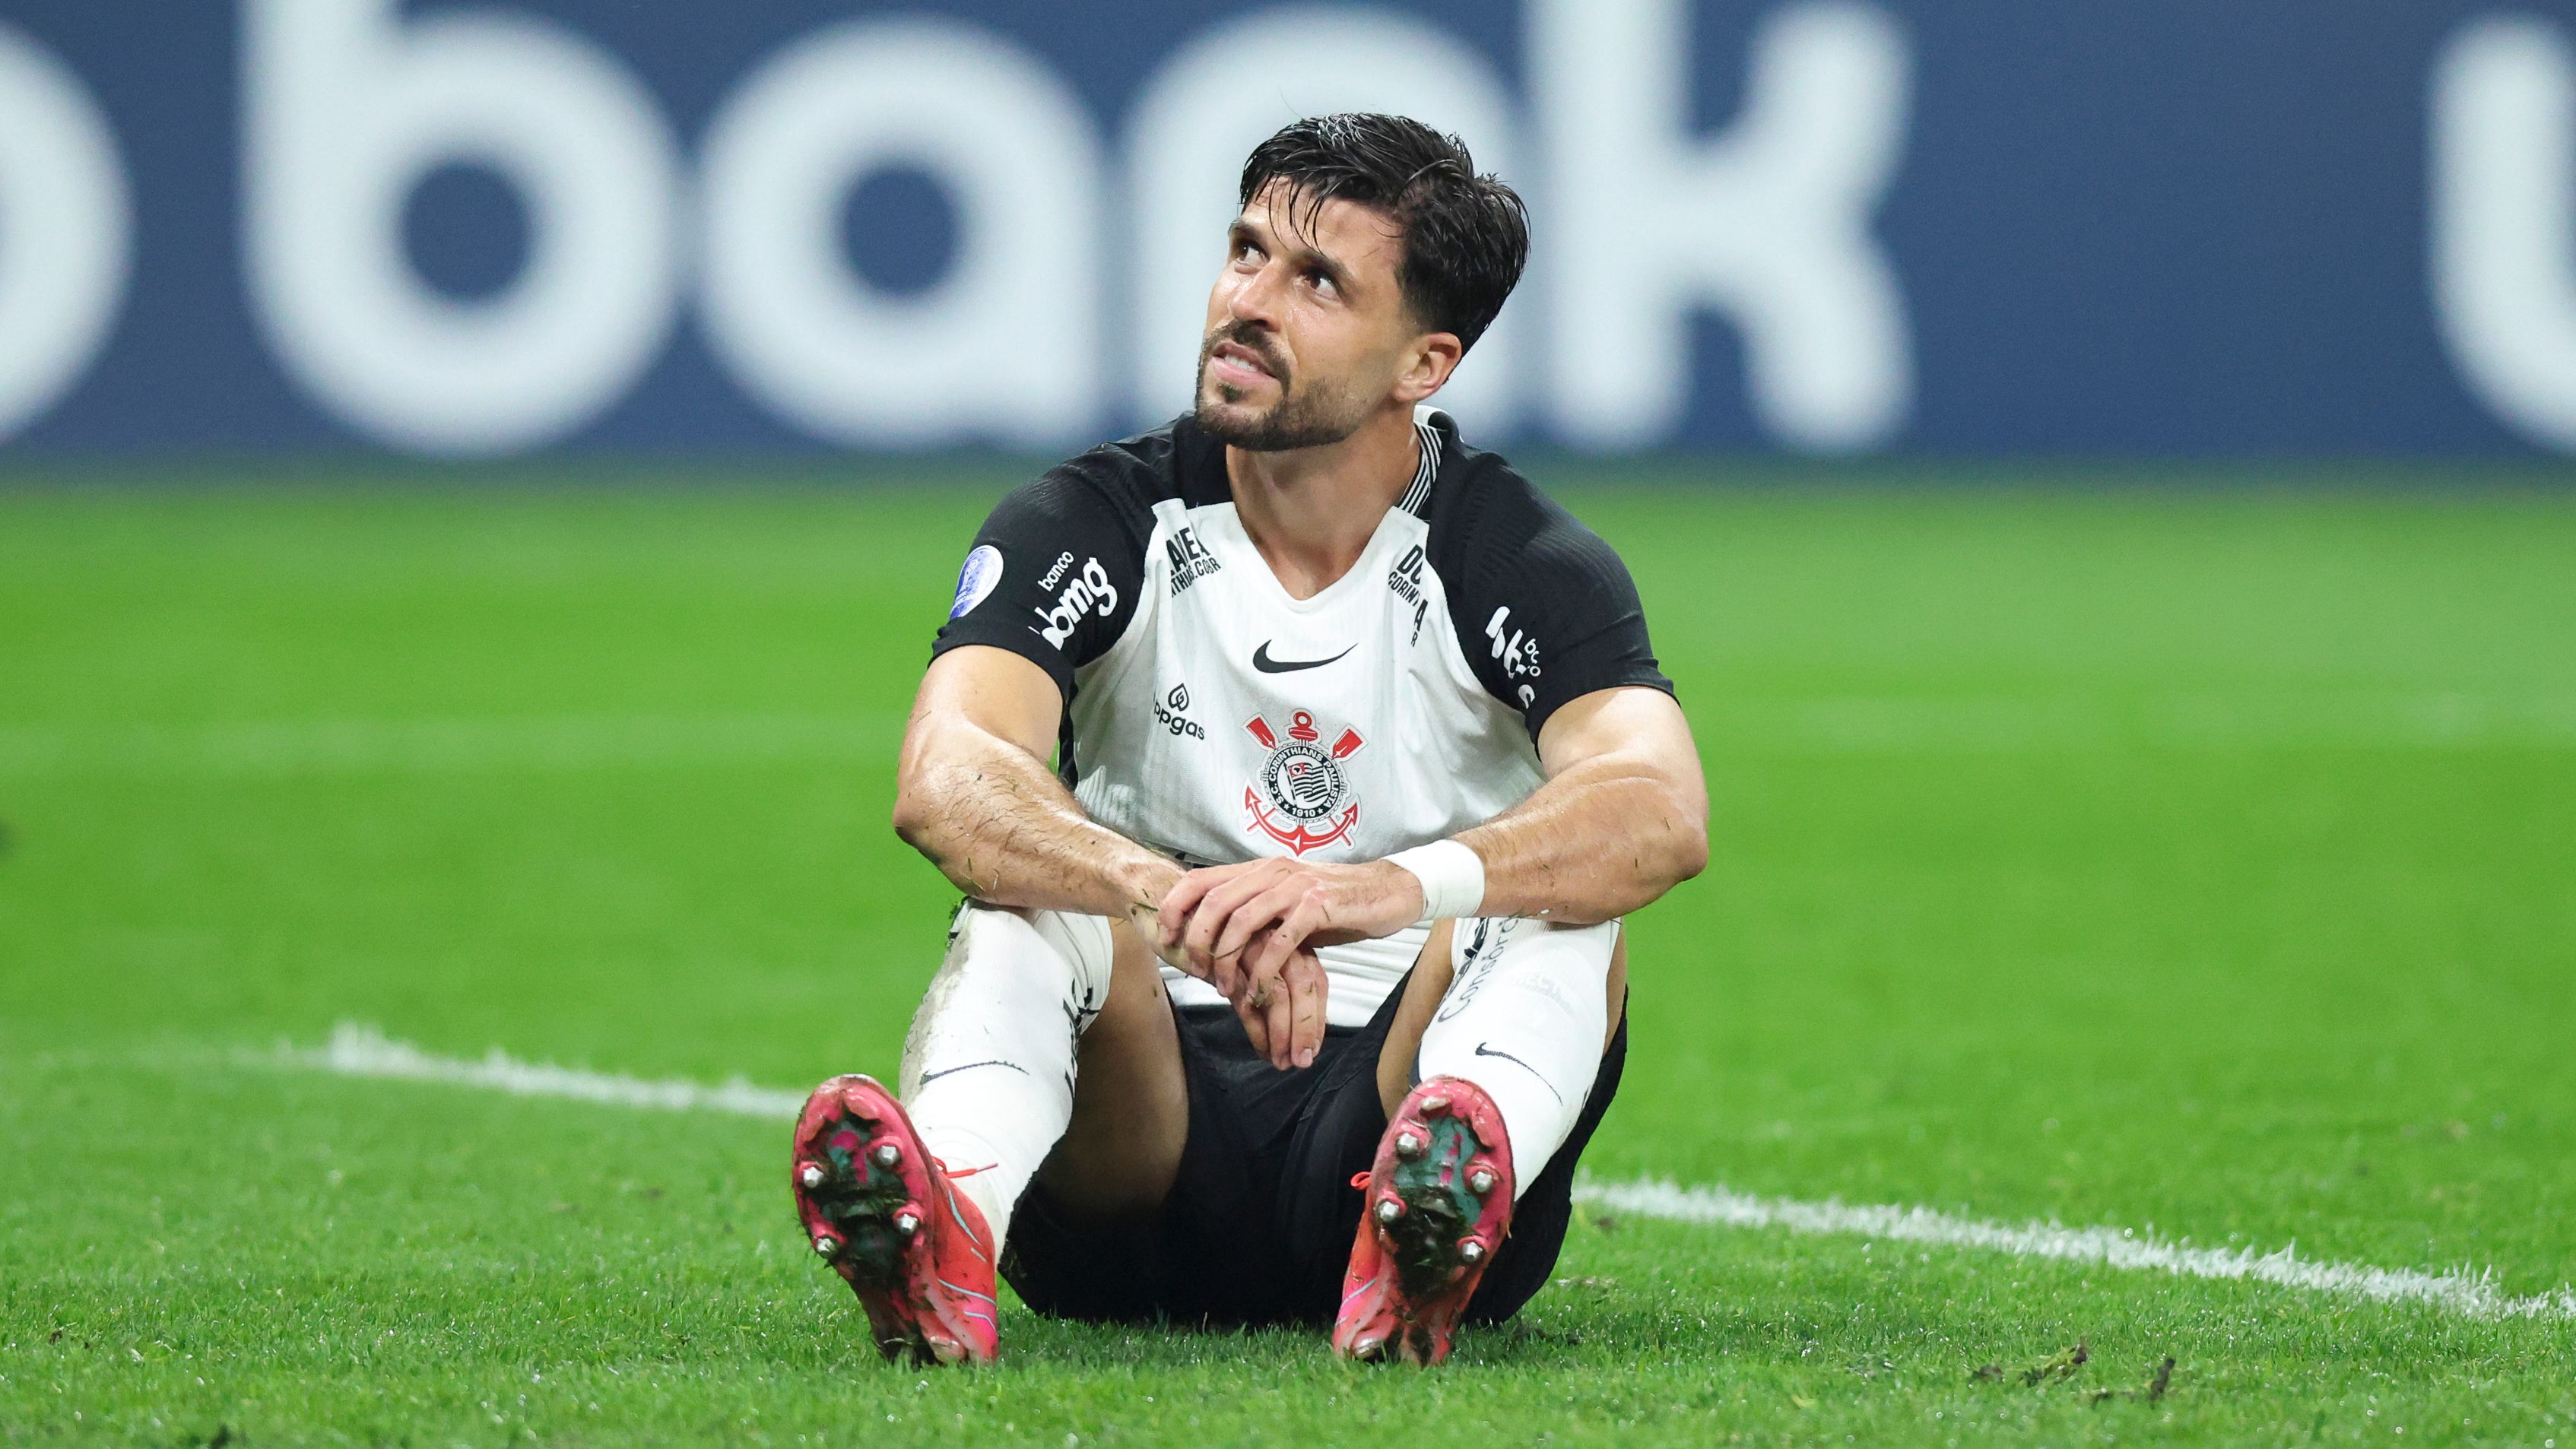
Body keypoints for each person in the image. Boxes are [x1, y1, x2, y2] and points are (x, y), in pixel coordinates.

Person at [789, 113, 1708, 1367]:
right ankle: (951, 1221)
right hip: (1134, 1152)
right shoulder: (1094, 521)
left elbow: (1659, 806)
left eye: (1318, 281)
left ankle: (1434, 1207)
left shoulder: (1520, 560)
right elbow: (947, 775)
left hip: (1390, 1104)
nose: (1249, 303)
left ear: (1425, 362)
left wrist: (1377, 890)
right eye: (1245, 252)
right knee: (1031, 890)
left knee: (1569, 899)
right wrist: (1160, 893)